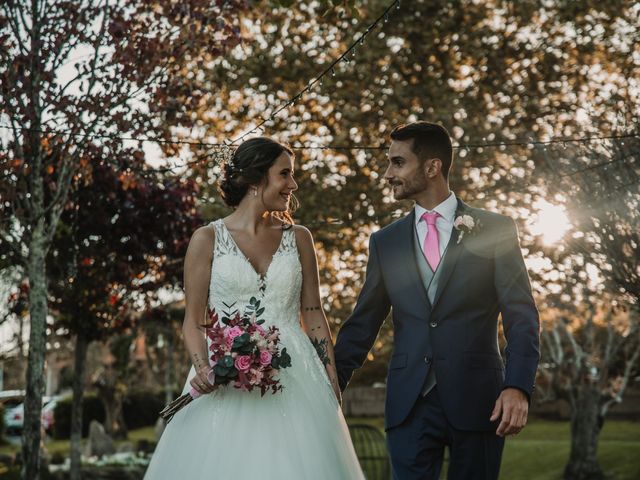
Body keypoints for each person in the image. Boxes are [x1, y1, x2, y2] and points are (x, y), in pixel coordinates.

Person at [145, 137, 364, 479]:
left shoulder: (300, 237)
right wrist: (203, 367)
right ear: (254, 179)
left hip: (298, 376)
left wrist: (330, 377)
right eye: (285, 174)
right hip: (224, 375)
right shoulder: (207, 239)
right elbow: (193, 320)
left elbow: (313, 312)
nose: (293, 184)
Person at [334, 121, 540, 480]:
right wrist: (329, 383)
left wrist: (517, 386)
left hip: (480, 402)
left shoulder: (495, 228)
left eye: (398, 163)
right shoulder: (386, 241)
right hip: (409, 405)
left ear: (432, 167)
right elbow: (363, 323)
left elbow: (521, 315)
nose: (387, 174)